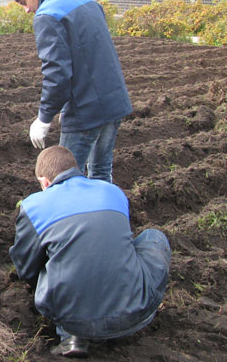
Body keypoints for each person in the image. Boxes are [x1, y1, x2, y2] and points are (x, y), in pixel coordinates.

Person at [9, 146, 170, 358]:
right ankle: (133, 302)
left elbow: (26, 266)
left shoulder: (33, 205)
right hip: (134, 311)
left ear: (45, 181)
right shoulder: (112, 191)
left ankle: (70, 334)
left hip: (71, 317)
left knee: (54, 259)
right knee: (153, 236)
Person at [13, 0, 132, 183]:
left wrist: (44, 118)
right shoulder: (86, 1)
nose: (26, 10)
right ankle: (101, 215)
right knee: (100, 171)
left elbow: (57, 73)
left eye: (23, 3)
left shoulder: (47, 14)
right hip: (114, 100)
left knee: (62, 178)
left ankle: (68, 217)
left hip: (85, 109)